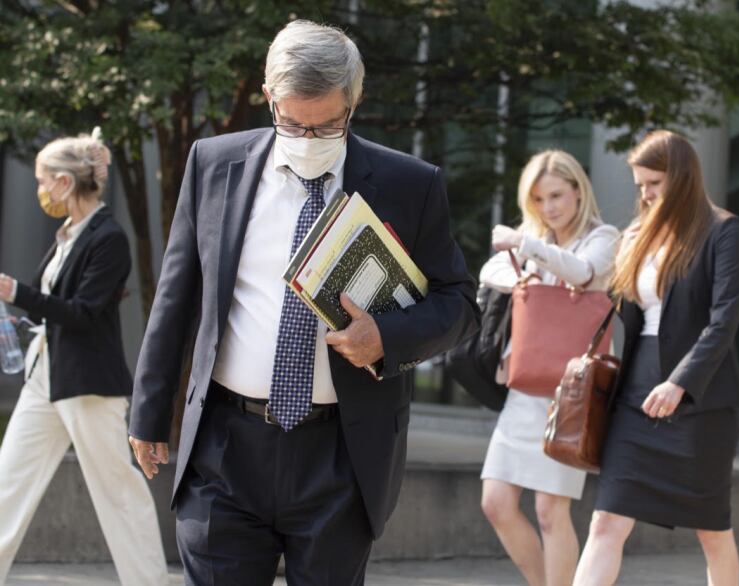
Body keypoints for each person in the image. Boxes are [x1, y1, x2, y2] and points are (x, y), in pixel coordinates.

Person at [127, 19, 478, 586]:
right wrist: (147, 413)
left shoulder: (409, 184)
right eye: (292, 122)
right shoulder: (214, 164)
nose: (308, 139)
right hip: (224, 447)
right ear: (269, 96)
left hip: (342, 454)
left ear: (353, 103)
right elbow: (176, 294)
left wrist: (386, 338)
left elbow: (460, 304)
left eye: (327, 125)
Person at [573, 130, 739, 586]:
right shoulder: (638, 234)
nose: (645, 195)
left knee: (712, 531)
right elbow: (626, 306)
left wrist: (680, 382)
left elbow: (724, 320)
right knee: (606, 522)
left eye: (654, 183)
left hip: (699, 403)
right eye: (640, 186)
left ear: (683, 177)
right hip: (634, 396)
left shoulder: (723, 230)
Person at [0, 130, 168, 585]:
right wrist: (25, 312)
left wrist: (17, 293)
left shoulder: (108, 237)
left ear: (63, 182)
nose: (39, 189)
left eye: (42, 180)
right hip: (45, 376)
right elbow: (56, 309)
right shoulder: (69, 234)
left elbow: (85, 314)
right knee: (7, 484)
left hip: (89, 384)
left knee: (119, 493)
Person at [478, 150, 619, 586]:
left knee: (550, 511)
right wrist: (520, 274)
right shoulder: (535, 236)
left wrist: (528, 249)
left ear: (578, 191)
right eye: (538, 200)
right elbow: (491, 267)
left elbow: (583, 273)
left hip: (572, 393)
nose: (548, 208)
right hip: (526, 386)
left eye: (556, 195)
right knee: (496, 502)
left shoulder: (604, 236)